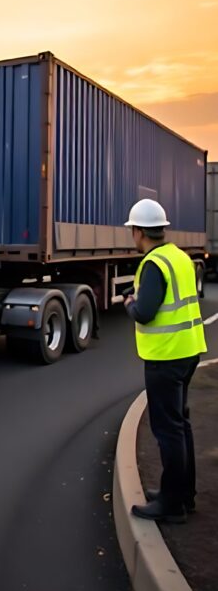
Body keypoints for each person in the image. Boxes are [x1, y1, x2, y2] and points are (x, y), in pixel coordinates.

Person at [123, 199, 207, 523]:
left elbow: (145, 312)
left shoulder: (154, 264)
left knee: (168, 429)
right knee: (180, 425)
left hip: (165, 357)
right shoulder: (181, 257)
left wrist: (130, 302)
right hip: (188, 352)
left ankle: (171, 505)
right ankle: (183, 494)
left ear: (139, 231)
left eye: (133, 230)